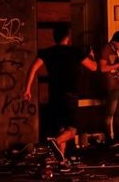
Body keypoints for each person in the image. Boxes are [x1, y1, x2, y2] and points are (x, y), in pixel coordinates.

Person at [23, 24, 97, 162]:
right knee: (71, 131)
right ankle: (54, 142)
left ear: (54, 37)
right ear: (67, 38)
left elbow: (32, 69)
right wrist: (92, 56)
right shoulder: (75, 52)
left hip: (54, 96)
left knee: (61, 128)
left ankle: (61, 160)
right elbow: (93, 68)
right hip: (70, 95)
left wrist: (27, 89)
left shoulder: (47, 52)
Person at [100, 31, 119, 145]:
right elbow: (102, 68)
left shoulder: (115, 51)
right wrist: (118, 65)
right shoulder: (106, 49)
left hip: (118, 84)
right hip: (111, 85)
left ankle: (118, 135)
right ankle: (108, 137)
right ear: (115, 41)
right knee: (110, 113)